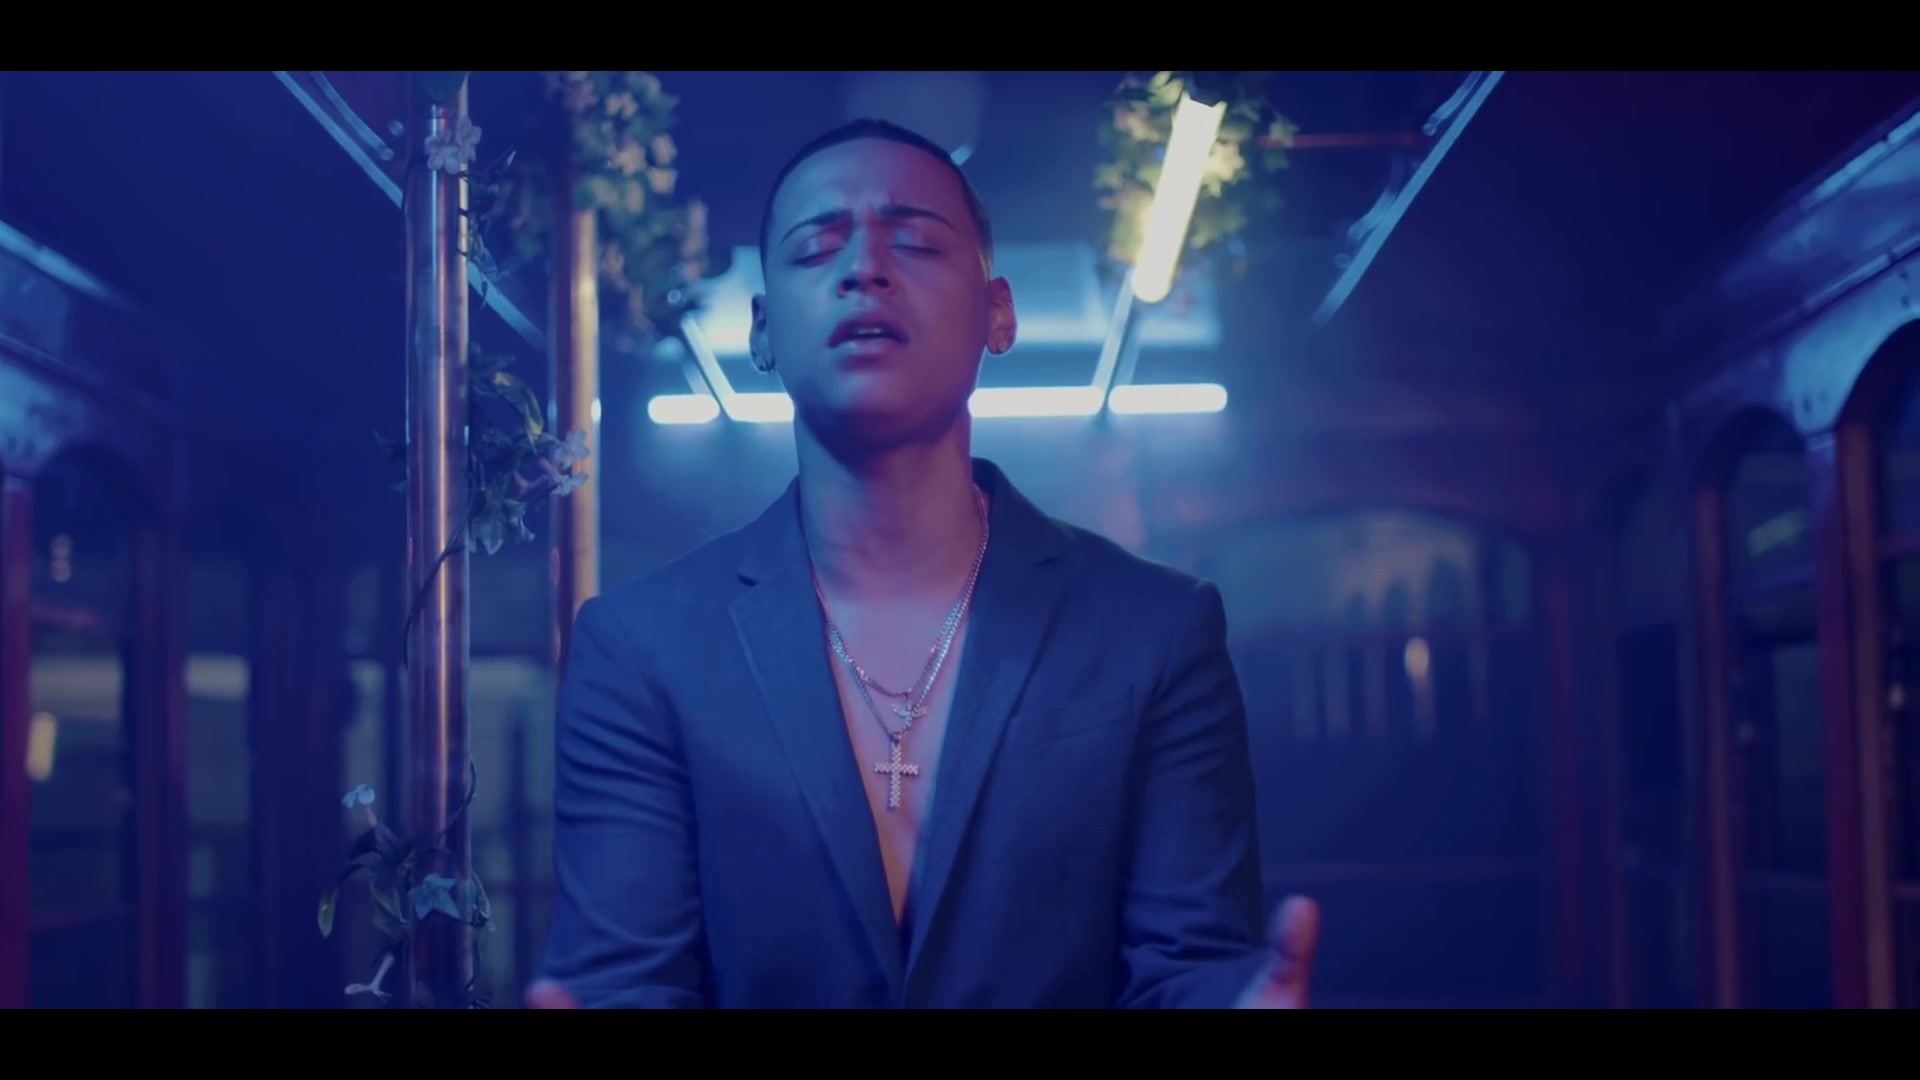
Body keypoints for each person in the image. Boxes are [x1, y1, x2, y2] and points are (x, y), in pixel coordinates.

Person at [528, 117, 1320, 1008]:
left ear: (998, 313)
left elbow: (1185, 964)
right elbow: (629, 979)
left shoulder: (1155, 631)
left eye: (915, 242)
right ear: (762, 329)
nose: (864, 267)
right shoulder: (640, 648)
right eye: (816, 247)